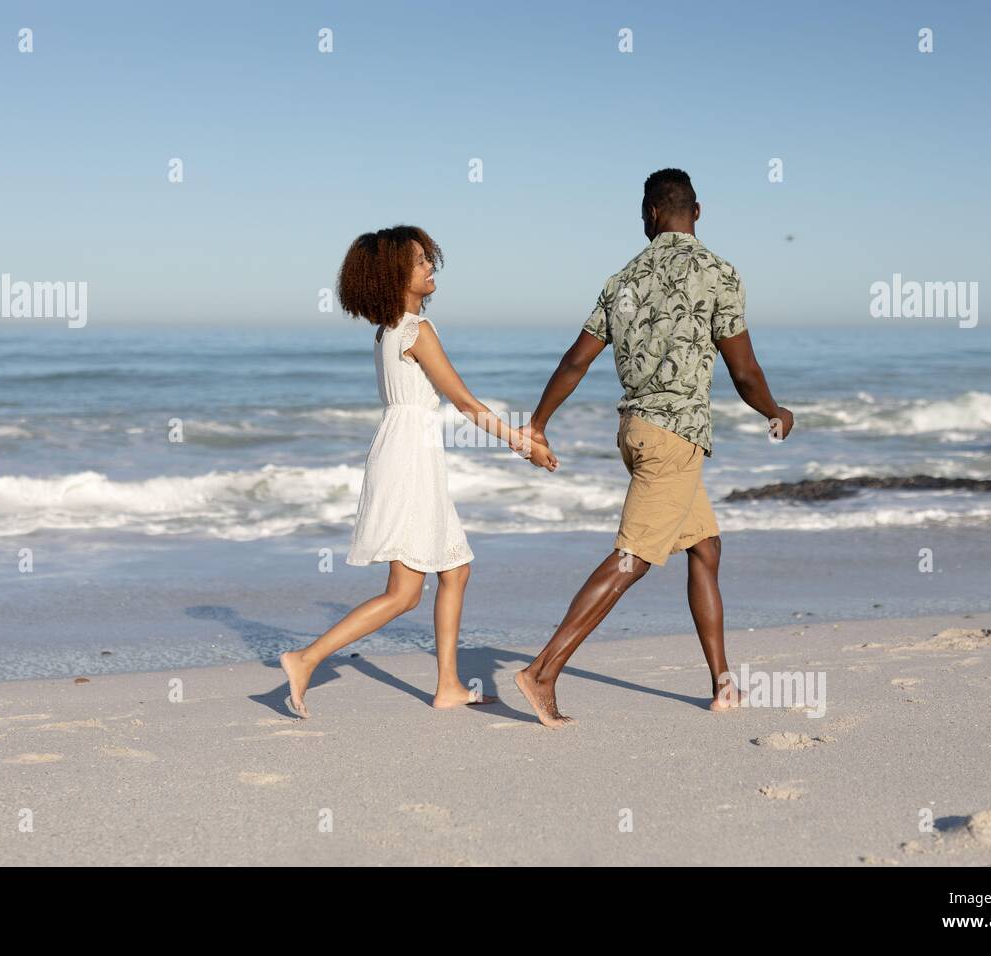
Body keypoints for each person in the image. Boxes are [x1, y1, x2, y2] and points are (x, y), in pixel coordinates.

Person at [512, 169, 793, 728]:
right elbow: (743, 369)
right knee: (631, 558)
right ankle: (542, 671)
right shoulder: (719, 273)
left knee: (705, 548)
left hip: (638, 432)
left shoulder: (622, 279)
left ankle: (722, 685)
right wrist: (775, 411)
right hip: (676, 441)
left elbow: (575, 361)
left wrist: (539, 422)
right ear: (698, 211)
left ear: (649, 215)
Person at [280, 225, 557, 717]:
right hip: (409, 459)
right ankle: (305, 659)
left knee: (456, 570)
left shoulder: (388, 331)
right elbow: (466, 403)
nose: (431, 267)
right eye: (420, 261)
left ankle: (448, 684)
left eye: (429, 258)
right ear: (394, 275)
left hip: (403, 450)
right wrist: (523, 444)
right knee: (404, 593)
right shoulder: (416, 331)